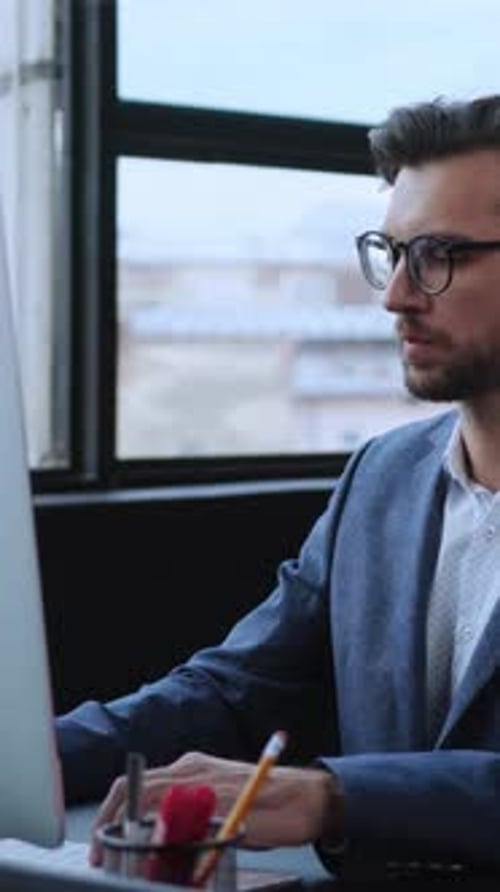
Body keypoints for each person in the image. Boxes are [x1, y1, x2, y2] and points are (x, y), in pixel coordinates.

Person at [56, 94, 500, 874]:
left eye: (438, 255)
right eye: (390, 253)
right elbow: (235, 688)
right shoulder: (383, 476)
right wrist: (36, 756)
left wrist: (333, 796)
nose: (396, 295)